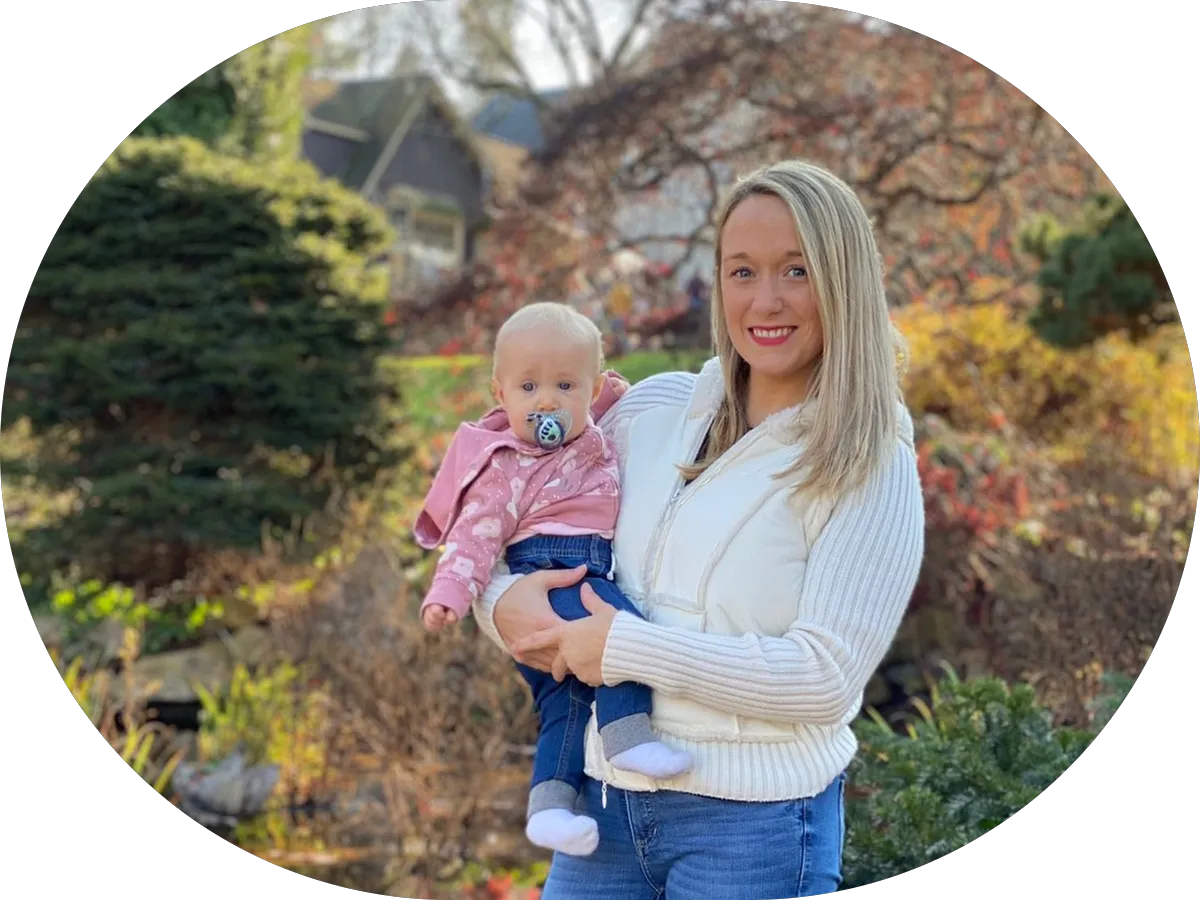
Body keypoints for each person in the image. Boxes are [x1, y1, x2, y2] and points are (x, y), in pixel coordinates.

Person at [469, 160, 927, 899]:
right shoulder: (650, 411)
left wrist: (624, 647)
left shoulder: (868, 461)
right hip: (603, 809)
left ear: (843, 279)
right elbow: (508, 508)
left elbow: (824, 678)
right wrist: (499, 605)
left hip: (754, 831)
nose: (765, 300)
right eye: (742, 271)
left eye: (797, 270)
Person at [413, 302, 693, 858]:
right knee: (623, 633)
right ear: (500, 394)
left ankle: (549, 809)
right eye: (528, 387)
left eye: (565, 385)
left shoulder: (589, 427)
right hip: (553, 572)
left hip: (581, 567)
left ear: (591, 390)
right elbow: (473, 538)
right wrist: (449, 594)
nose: (546, 402)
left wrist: (603, 390)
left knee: (564, 706)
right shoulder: (505, 466)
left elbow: (603, 397)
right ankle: (627, 736)